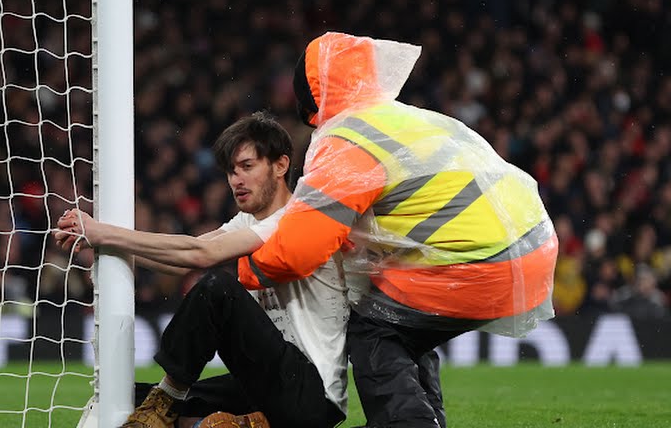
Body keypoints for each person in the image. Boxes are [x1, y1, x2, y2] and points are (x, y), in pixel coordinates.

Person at [238, 32, 559, 428]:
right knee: (403, 322)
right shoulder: (407, 116)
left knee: (376, 331)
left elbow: (301, 248)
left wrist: (247, 272)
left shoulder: (347, 138)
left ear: (309, 91)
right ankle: (427, 418)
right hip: (533, 246)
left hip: (475, 260)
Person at [55, 112, 348, 428]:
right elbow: (181, 258)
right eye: (230, 172)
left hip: (311, 396)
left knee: (217, 289)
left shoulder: (295, 218)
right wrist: (105, 247)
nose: (236, 180)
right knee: (129, 398)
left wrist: (103, 233)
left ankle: (169, 398)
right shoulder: (248, 221)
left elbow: (201, 255)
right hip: (267, 383)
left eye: (247, 167)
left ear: (280, 165)